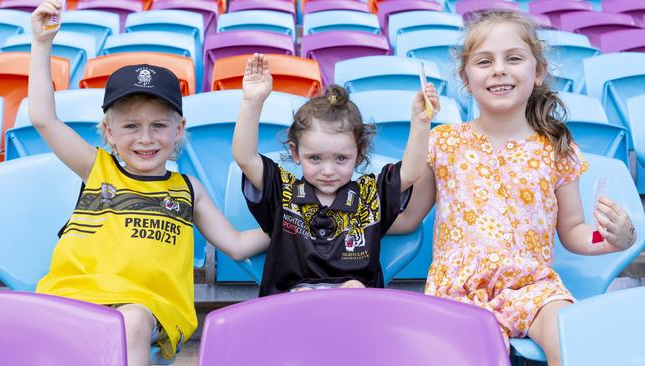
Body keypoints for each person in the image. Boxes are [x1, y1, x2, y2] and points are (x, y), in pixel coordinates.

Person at [390, 10, 637, 366]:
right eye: (484, 61)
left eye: (514, 58)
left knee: (573, 345)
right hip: (458, 291)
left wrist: (616, 238)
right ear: (466, 78)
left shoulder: (556, 148)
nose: (499, 69)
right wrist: (351, 219)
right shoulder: (442, 142)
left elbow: (574, 232)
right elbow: (410, 218)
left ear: (537, 73)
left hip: (534, 288)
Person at [29, 1, 270, 365]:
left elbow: (235, 244)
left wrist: (292, 223)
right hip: (72, 298)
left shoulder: (187, 189)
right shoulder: (96, 168)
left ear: (179, 131)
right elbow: (43, 118)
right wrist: (41, 45)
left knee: (133, 319)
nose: (146, 138)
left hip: (149, 308)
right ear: (108, 133)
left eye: (158, 125)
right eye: (131, 126)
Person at [232, 54, 439, 296]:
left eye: (341, 158)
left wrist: (421, 122)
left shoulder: (370, 195)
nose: (328, 171)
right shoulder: (283, 191)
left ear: (359, 155)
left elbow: (412, 171)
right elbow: (245, 158)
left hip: (356, 308)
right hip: (290, 309)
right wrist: (251, 102)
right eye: (315, 158)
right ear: (295, 152)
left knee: (354, 290)